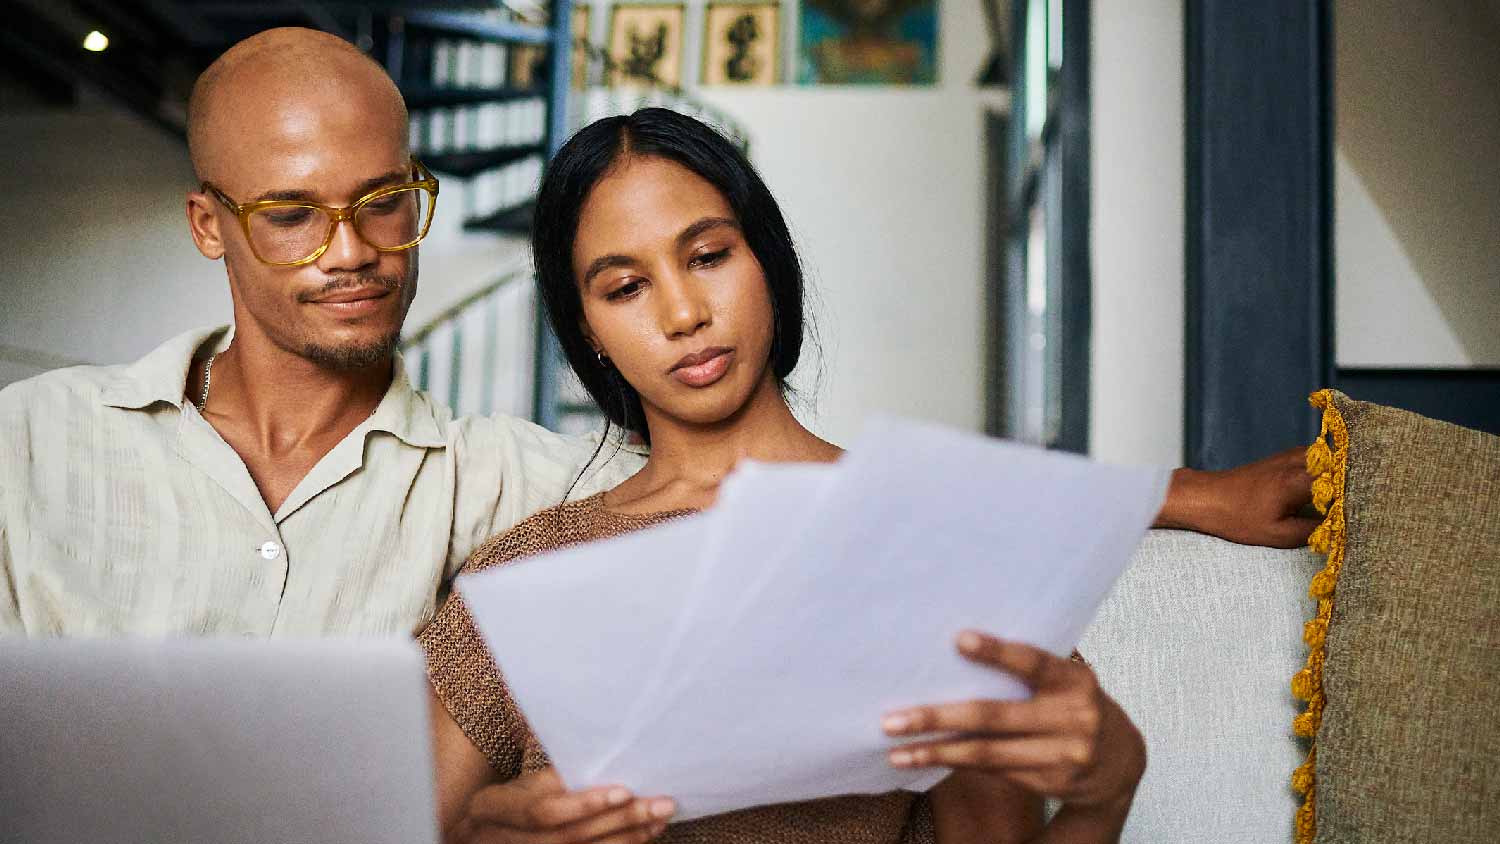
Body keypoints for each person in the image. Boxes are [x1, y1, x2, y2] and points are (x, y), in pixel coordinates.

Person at [0, 26, 1313, 642]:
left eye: (383, 203)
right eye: (289, 214)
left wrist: (1181, 493)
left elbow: (837, 497)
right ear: (207, 224)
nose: (350, 250)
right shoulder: (29, 447)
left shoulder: (522, 483)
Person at [420, 108, 1196, 844]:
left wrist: (1107, 793)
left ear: (765, 258)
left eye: (708, 256)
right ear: (587, 332)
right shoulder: (526, 578)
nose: (683, 312)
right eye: (626, 287)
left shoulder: (928, 534)